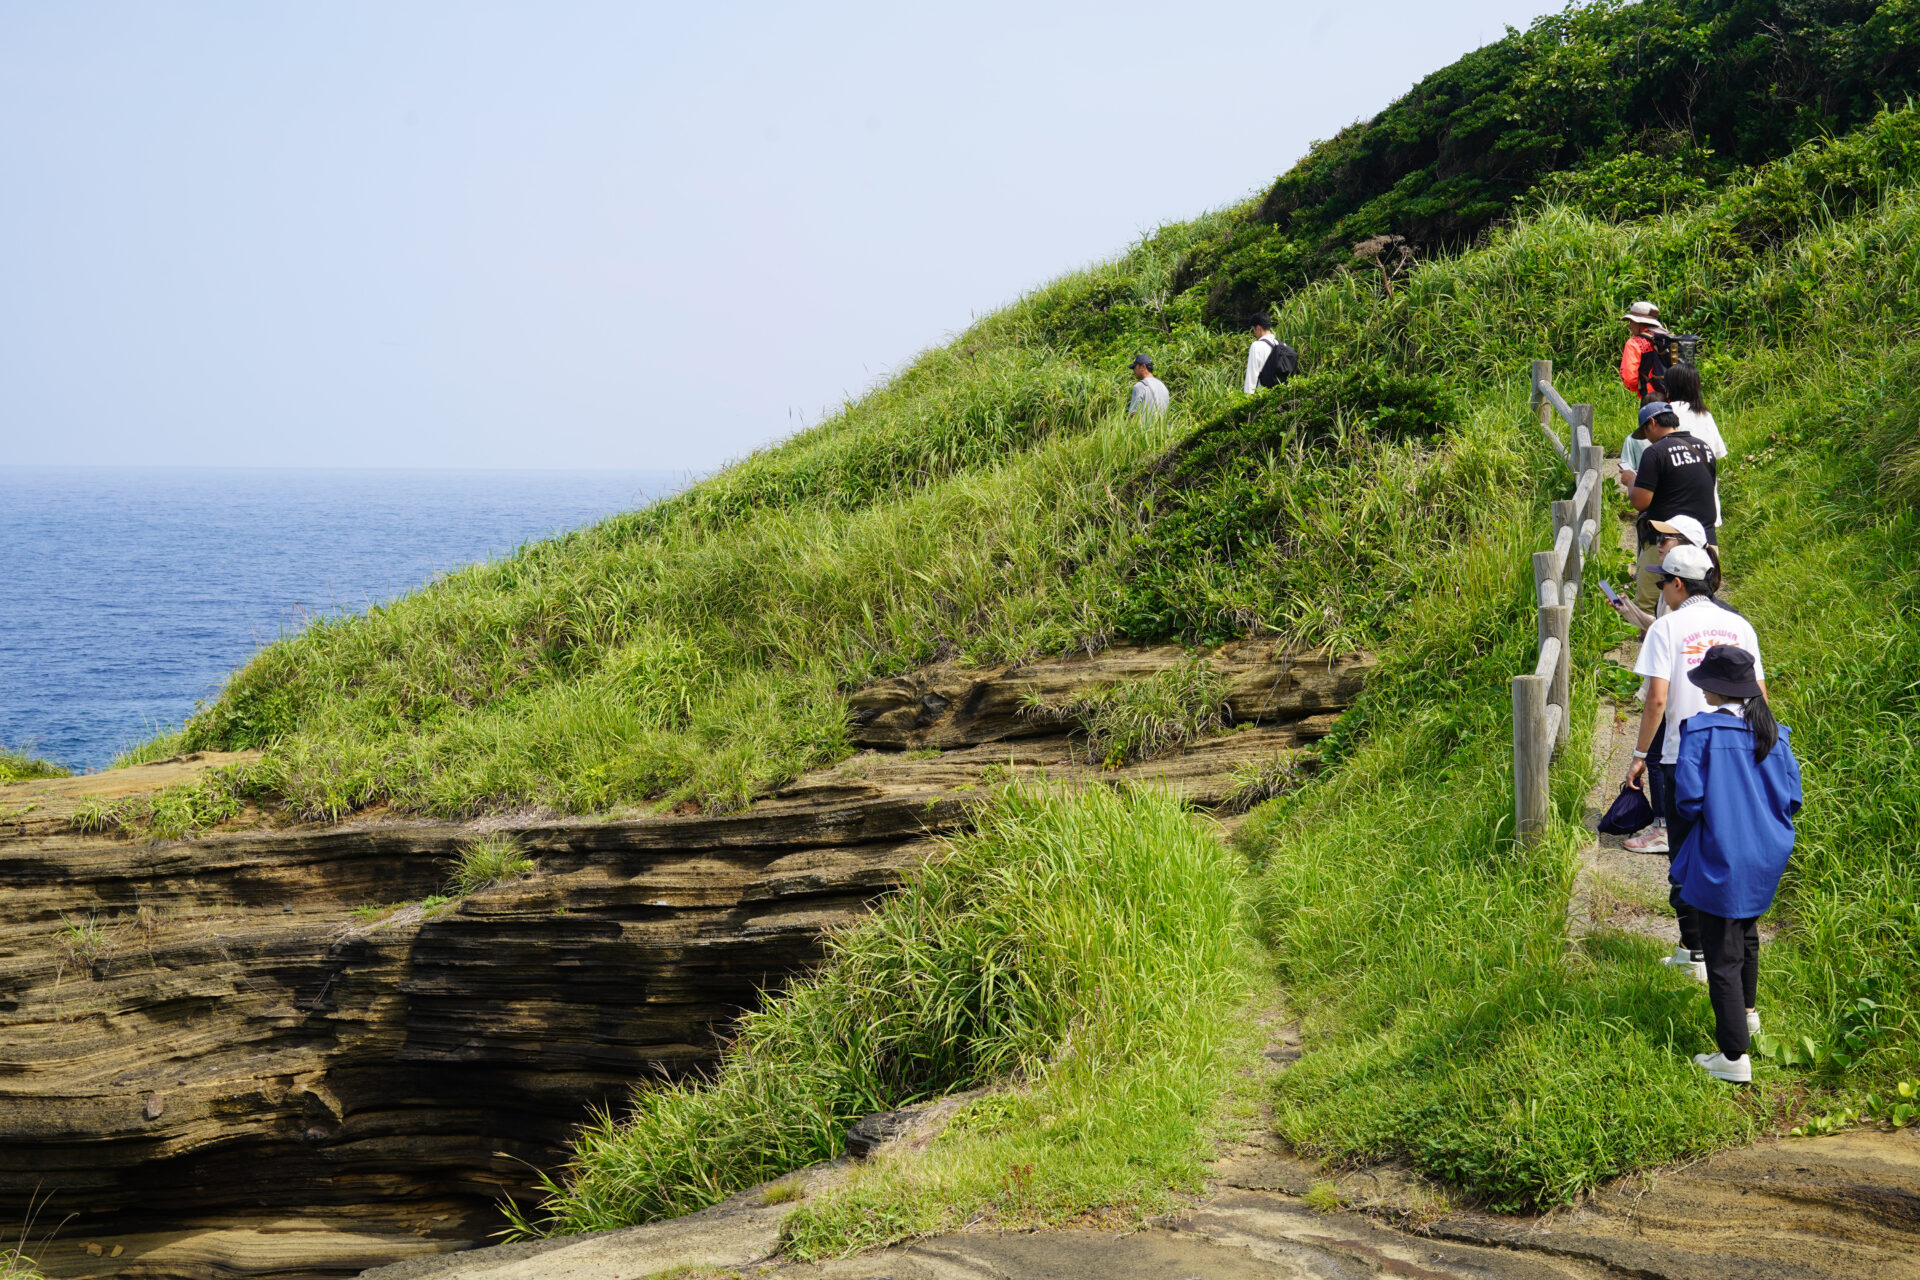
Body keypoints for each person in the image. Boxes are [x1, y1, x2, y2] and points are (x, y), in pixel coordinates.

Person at [1627, 545, 1766, 983]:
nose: (1662, 589)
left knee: (1686, 857)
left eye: (1663, 581)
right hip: (1737, 754)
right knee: (1724, 849)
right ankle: (1713, 949)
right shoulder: (1739, 625)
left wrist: (1637, 756)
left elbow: (1657, 699)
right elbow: (1759, 692)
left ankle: (1696, 950)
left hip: (1678, 756)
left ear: (1678, 584)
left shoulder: (1666, 628)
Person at [1672, 644, 1801, 1084]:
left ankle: (1732, 1058)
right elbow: (1793, 798)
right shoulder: (1776, 734)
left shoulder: (1701, 732)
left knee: (1721, 954)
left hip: (1722, 853)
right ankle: (1747, 1016)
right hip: (1767, 853)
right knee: (1745, 933)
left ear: (1716, 688)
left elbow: (1687, 800)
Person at [1609, 513, 1717, 856]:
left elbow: (1658, 695)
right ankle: (1673, 826)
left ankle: (1664, 826)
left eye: (1667, 539)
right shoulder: (1729, 617)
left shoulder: (1677, 611)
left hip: (1676, 702)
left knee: (1657, 758)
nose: (1659, 545)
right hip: (1707, 712)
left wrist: (1637, 754)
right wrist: (1632, 614)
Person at [1629, 401, 1718, 614]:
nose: (1647, 438)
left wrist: (1631, 480)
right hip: (1705, 540)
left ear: (1651, 423)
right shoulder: (1703, 447)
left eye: (1645, 432)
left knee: (1649, 609)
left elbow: (1640, 502)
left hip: (1665, 540)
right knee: (1701, 608)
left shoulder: (1655, 452)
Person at [1662, 363, 1729, 528]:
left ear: (1671, 386)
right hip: (1706, 503)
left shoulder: (1666, 412)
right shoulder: (1705, 415)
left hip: (1674, 503)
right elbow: (1717, 453)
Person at [1619, 300, 1671, 401]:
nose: (1630, 326)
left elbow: (1629, 378)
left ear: (1640, 323)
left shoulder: (1634, 343)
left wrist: (1640, 387)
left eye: (1631, 322)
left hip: (1651, 397)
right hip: (1675, 398)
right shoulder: (1669, 337)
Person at [1244, 316, 1281, 394]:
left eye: (1253, 329)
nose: (1254, 333)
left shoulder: (1256, 346)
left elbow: (1251, 376)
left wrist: (1247, 399)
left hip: (1263, 397)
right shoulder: (1281, 345)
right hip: (1281, 396)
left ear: (1258, 328)